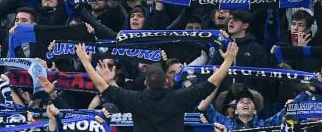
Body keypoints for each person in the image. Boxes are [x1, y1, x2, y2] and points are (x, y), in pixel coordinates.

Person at [75, 42, 239, 132]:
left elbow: (102, 87)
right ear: (167, 82)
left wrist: (86, 62)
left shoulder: (135, 99)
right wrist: (228, 60)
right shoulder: (179, 98)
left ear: (145, 83)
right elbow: (211, 84)